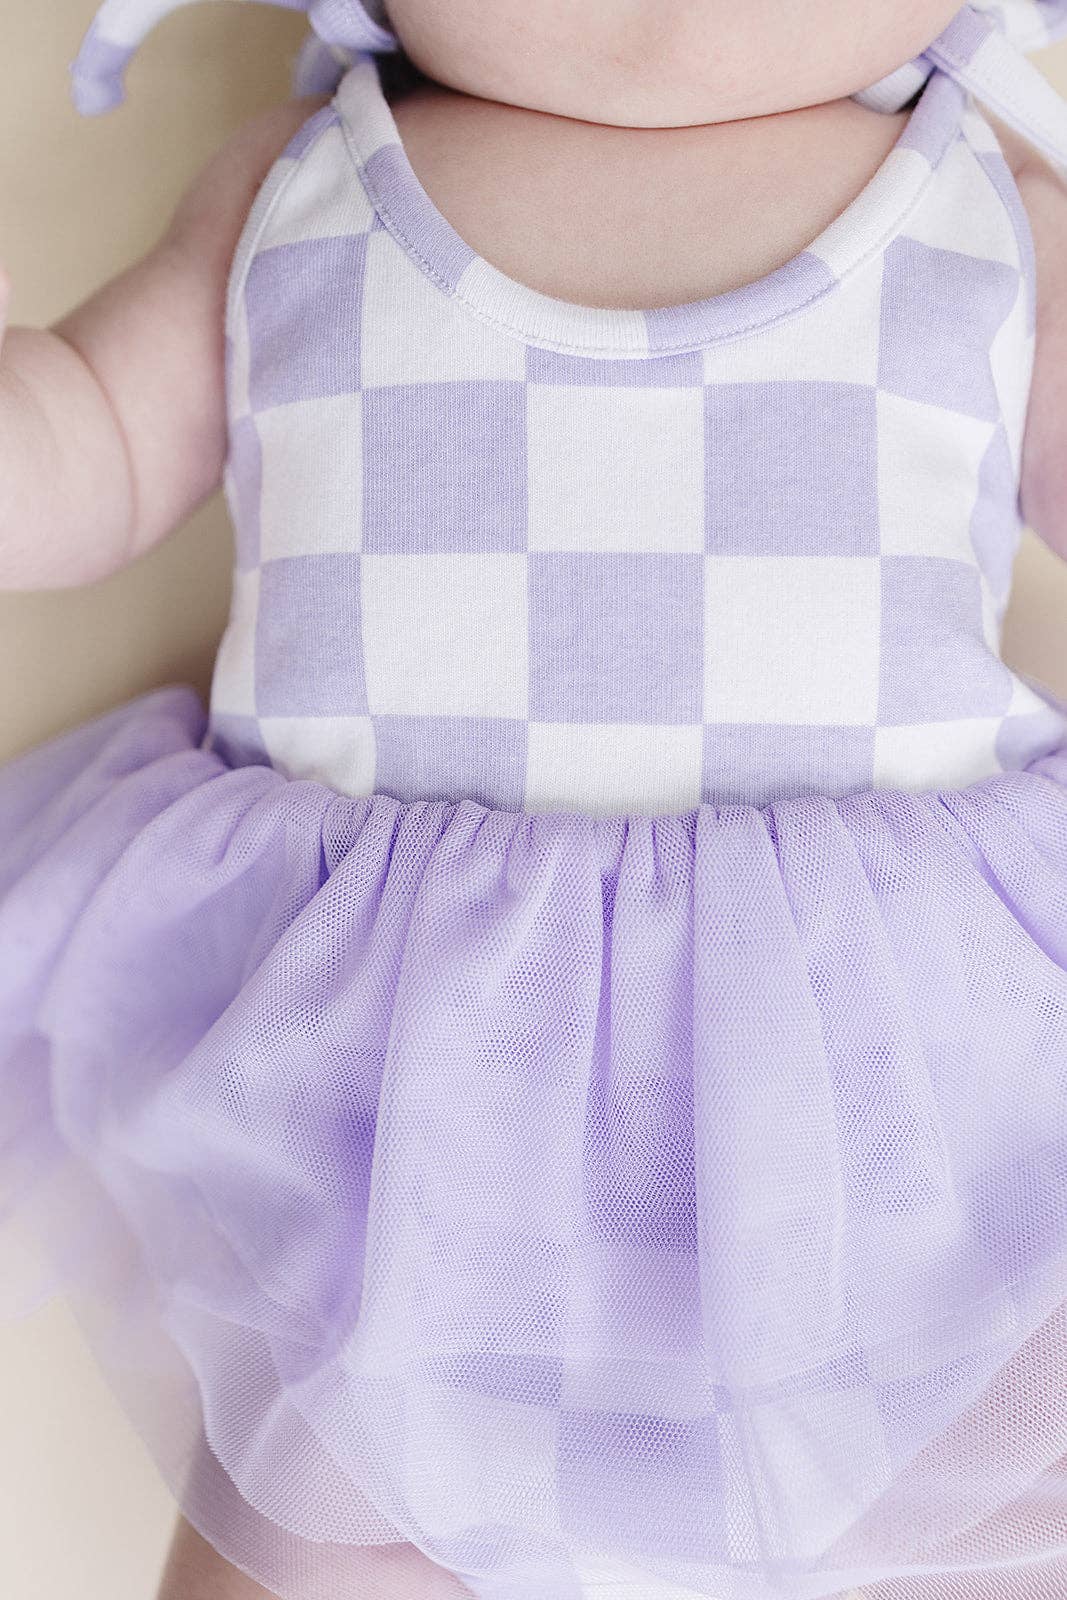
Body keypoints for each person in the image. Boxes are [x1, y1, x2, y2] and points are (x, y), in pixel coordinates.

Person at [3, 1, 1067, 1595]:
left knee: (964, 1476)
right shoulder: (296, 187)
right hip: (395, 1127)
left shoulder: (995, 209)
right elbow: (91, 437)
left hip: (880, 1115)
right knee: (309, 1509)